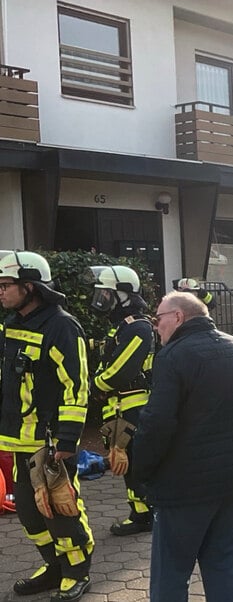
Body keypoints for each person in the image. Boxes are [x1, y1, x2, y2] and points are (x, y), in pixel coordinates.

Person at [133, 292, 233, 602]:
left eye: (158, 319)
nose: (155, 326)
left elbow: (157, 424)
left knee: (171, 574)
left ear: (177, 317)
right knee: (225, 569)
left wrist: (141, 469)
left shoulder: (173, 356)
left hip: (184, 488)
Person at [0, 251, 94, 601]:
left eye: (6, 285)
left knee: (60, 509)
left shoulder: (61, 326)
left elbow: (76, 386)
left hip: (50, 442)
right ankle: (53, 566)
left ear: (30, 286)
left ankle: (76, 571)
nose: (0, 291)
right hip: (19, 440)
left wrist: (67, 439)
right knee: (28, 511)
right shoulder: (13, 324)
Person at [88, 265, 154, 536]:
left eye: (106, 293)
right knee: (128, 464)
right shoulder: (124, 327)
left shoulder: (138, 327)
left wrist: (96, 385)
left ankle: (145, 514)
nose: (102, 299)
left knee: (135, 463)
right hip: (121, 405)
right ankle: (140, 512)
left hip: (132, 406)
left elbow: (122, 369)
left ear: (124, 295)